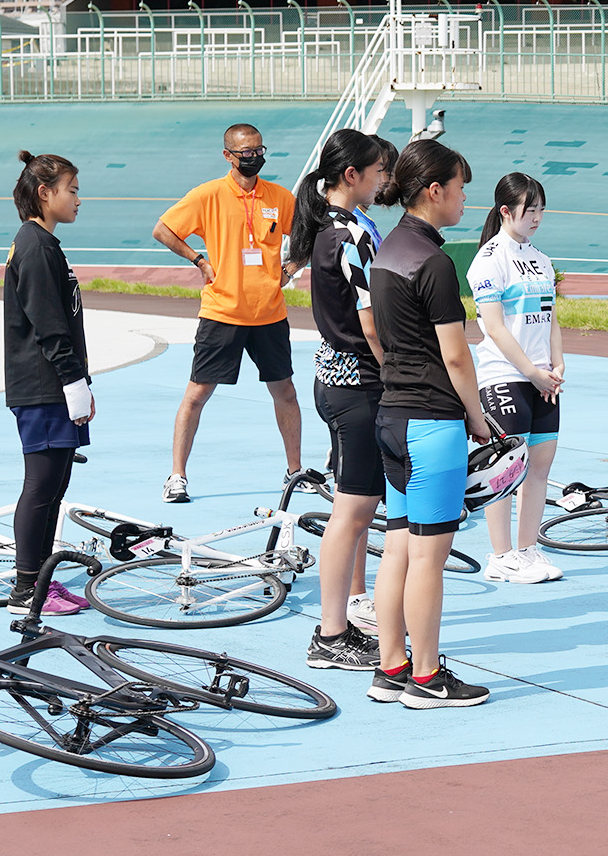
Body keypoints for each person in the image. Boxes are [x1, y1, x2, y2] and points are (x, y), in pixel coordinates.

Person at [367, 138, 499, 709]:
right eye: (461, 188)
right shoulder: (437, 262)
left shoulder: (386, 250)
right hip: (432, 421)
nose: (466, 199)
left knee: (398, 547)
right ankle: (426, 676)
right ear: (434, 190)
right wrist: (478, 416)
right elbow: (456, 355)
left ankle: (389, 666)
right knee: (429, 555)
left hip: (392, 416)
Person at [152, 123, 305, 503]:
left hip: (269, 313)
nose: (254, 158)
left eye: (258, 150)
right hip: (223, 312)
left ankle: (295, 471)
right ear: (228, 156)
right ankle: (176, 476)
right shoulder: (207, 195)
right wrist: (198, 260)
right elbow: (164, 230)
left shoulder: (279, 197)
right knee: (198, 393)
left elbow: (310, 235)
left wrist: (290, 268)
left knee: (284, 390)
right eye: (246, 153)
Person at [290, 130, 393, 670]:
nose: (383, 180)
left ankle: (344, 618)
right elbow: (369, 320)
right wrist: (394, 371)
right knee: (352, 512)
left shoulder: (339, 228)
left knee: (354, 508)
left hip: (345, 380)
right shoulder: (347, 233)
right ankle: (330, 635)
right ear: (351, 175)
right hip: (356, 384)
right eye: (377, 171)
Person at [2, 151, 94, 617]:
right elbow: (49, 324)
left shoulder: (45, 244)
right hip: (44, 386)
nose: (79, 199)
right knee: (40, 485)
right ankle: (24, 590)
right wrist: (74, 382)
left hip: (54, 383)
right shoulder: (35, 246)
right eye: (72, 190)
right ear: (45, 193)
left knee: (56, 484)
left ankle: (42, 582)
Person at [468, 171, 566, 584]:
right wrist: (530, 371)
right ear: (506, 210)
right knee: (506, 467)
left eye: (541, 209)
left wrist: (557, 366)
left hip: (543, 378)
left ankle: (528, 549)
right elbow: (495, 327)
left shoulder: (541, 259)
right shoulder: (490, 260)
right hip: (505, 375)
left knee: (540, 465)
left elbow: (551, 318)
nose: (537, 217)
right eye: (531, 210)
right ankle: (501, 555)